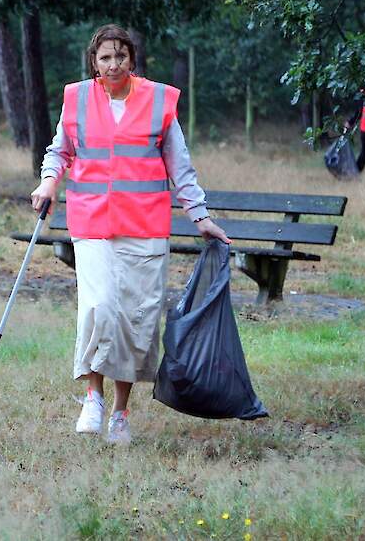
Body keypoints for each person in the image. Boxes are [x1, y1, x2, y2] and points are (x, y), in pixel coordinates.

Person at [29, 24, 230, 445]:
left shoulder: (158, 101)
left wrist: (200, 216)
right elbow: (60, 150)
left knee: (137, 321)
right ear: (94, 63)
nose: (113, 64)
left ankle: (120, 413)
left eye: (121, 56)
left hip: (145, 227)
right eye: (105, 57)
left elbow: (180, 165)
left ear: (132, 60)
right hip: (93, 223)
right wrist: (49, 181)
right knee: (100, 308)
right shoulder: (78, 98)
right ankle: (92, 397)